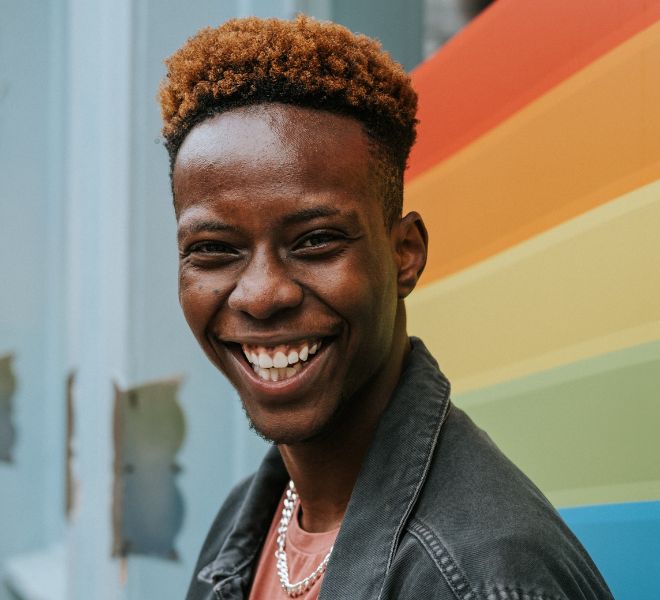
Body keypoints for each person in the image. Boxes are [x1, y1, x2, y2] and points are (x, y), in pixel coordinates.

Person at [160, 15, 614, 600]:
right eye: (214, 250)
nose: (263, 293)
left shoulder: (481, 575)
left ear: (405, 254)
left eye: (315, 241)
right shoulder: (250, 518)